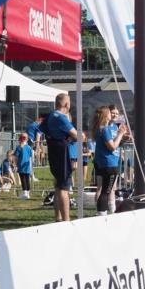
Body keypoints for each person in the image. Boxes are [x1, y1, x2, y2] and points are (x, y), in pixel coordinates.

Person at [44, 93, 80, 222]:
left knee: (58, 186)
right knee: (64, 188)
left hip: (54, 152)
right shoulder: (61, 117)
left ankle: (58, 218)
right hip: (62, 154)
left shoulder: (49, 116)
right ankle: (66, 220)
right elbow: (78, 136)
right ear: (66, 104)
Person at [91, 106, 127, 215]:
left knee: (105, 190)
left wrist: (121, 136)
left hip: (101, 163)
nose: (112, 115)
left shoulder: (99, 129)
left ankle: (105, 212)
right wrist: (121, 134)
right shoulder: (105, 129)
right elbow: (112, 147)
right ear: (106, 116)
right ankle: (102, 214)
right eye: (110, 113)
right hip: (108, 164)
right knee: (105, 191)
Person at [15, 133, 33, 199]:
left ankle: (25, 193)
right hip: (27, 165)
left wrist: (15, 165)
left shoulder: (19, 147)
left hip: (21, 165)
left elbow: (16, 157)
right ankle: (27, 193)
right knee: (27, 179)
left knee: (23, 179)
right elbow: (31, 157)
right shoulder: (29, 147)